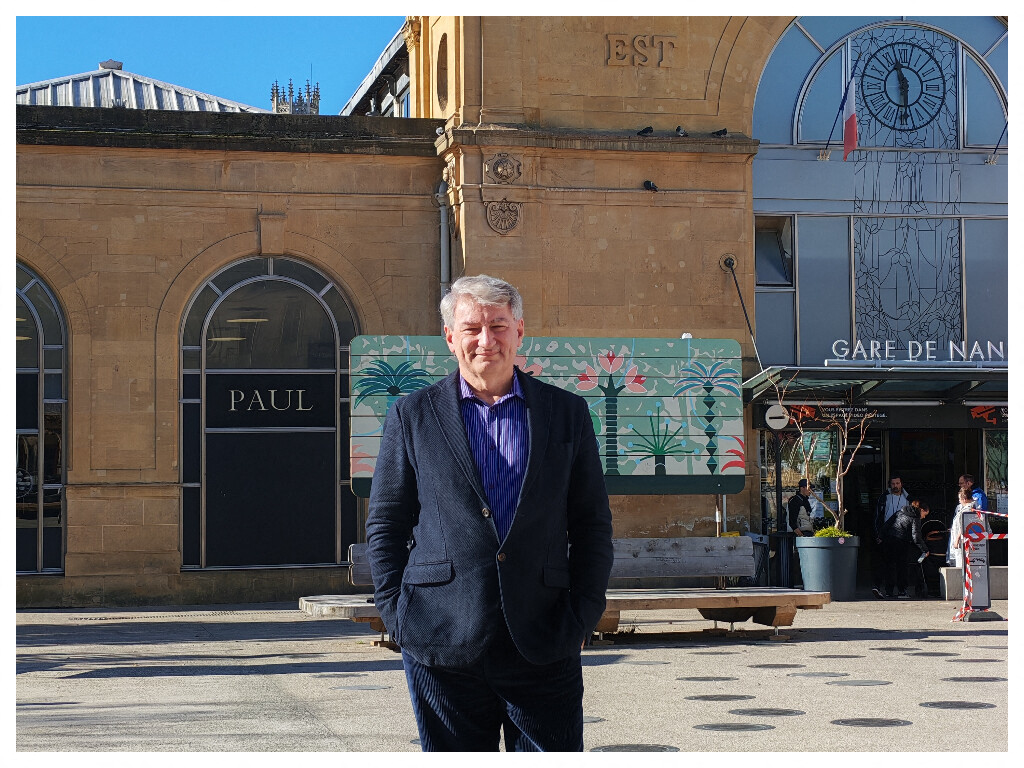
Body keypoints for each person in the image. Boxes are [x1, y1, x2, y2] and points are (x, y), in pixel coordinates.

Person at [365, 274, 614, 752]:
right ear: (450, 337)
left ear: (519, 331)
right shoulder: (412, 415)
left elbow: (591, 524)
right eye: (472, 327)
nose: (486, 340)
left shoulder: (566, 414)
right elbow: (387, 522)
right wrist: (396, 615)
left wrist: (582, 617)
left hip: (543, 637)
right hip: (441, 638)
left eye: (498, 325)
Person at [880, 500, 931, 599]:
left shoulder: (900, 512)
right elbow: (916, 536)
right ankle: (902, 591)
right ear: (921, 510)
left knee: (890, 566)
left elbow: (887, 524)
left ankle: (888, 591)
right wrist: (925, 549)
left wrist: (881, 536)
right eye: (925, 514)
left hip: (890, 539)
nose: (924, 517)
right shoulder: (915, 517)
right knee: (902, 567)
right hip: (901, 542)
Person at [872, 475, 911, 599]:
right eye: (893, 484)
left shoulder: (908, 498)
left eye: (898, 483)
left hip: (903, 536)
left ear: (901, 484)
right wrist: (879, 534)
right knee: (888, 564)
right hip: (887, 535)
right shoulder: (884, 498)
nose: (896, 486)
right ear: (890, 485)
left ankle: (902, 590)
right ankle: (888, 590)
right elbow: (878, 517)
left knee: (902, 564)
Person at [947, 487, 990, 569]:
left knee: (963, 565)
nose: (959, 501)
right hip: (975, 542)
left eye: (960, 499)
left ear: (965, 499)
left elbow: (963, 526)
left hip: (965, 542)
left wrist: (957, 540)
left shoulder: (967, 510)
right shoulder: (977, 508)